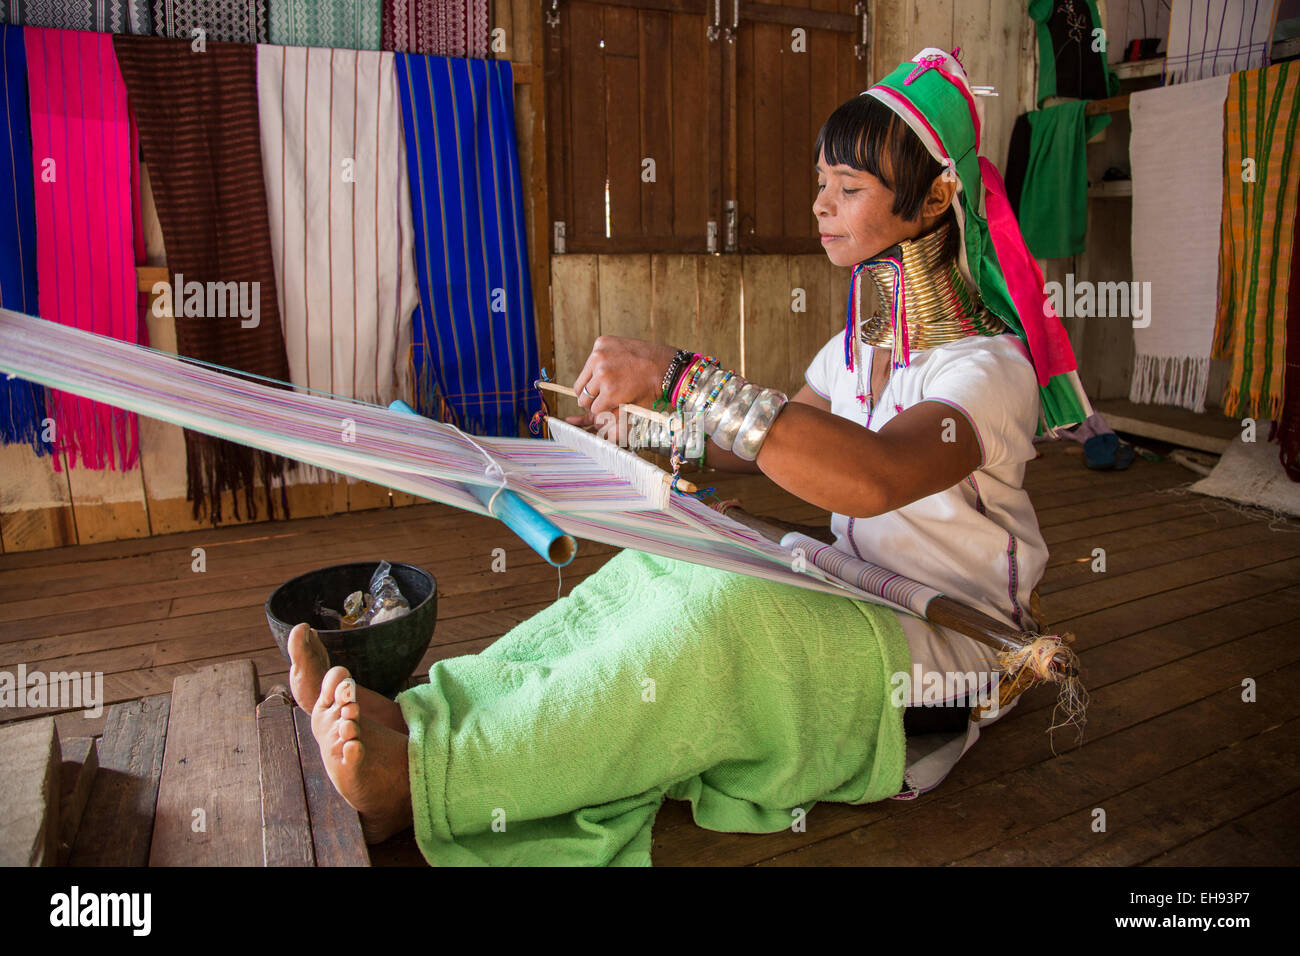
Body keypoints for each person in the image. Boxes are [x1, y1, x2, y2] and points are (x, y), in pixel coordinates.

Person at [286, 47, 1092, 865]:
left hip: (946, 657)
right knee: (665, 561)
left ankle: (425, 783)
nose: (821, 205)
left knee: (723, 617)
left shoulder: (989, 369)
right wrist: (639, 430)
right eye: (821, 182)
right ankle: (426, 715)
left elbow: (871, 475)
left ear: (934, 200)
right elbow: (767, 445)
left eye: (849, 190)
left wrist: (680, 376)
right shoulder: (858, 347)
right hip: (863, 599)